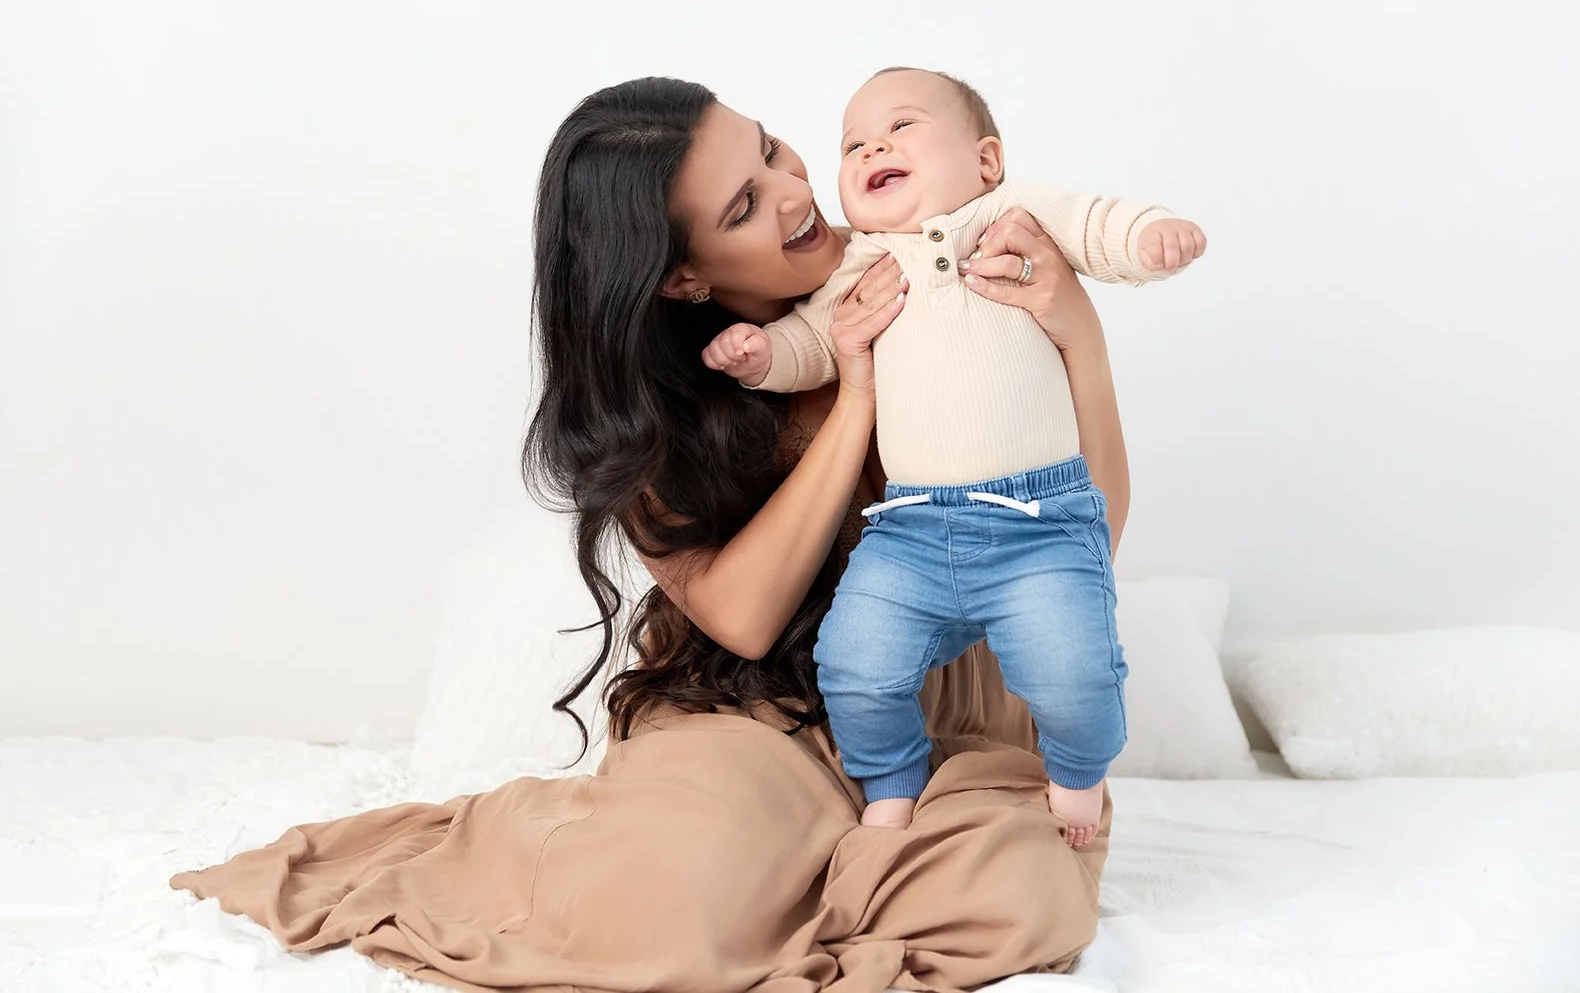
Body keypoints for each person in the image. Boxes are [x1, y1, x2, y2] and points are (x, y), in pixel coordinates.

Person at [169, 76, 1136, 992]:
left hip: (949, 695)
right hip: (757, 704)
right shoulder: (649, 411)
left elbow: (1093, 534)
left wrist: (1074, 327)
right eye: (743, 208)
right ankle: (762, 861)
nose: (799, 191)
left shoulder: (927, 260)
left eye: (770, 152)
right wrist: (854, 391)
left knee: (1020, 897)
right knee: (667, 902)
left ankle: (851, 870)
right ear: (680, 277)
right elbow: (745, 619)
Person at [701, 67, 1206, 842]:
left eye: (901, 127)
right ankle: (892, 779)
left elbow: (1096, 224)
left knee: (1073, 671)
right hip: (910, 528)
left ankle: (1077, 774)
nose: (873, 146)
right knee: (856, 660)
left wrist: (1147, 237)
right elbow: (816, 343)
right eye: (854, 143)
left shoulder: (1016, 213)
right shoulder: (861, 264)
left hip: (1040, 514)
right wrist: (762, 355)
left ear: (986, 161)